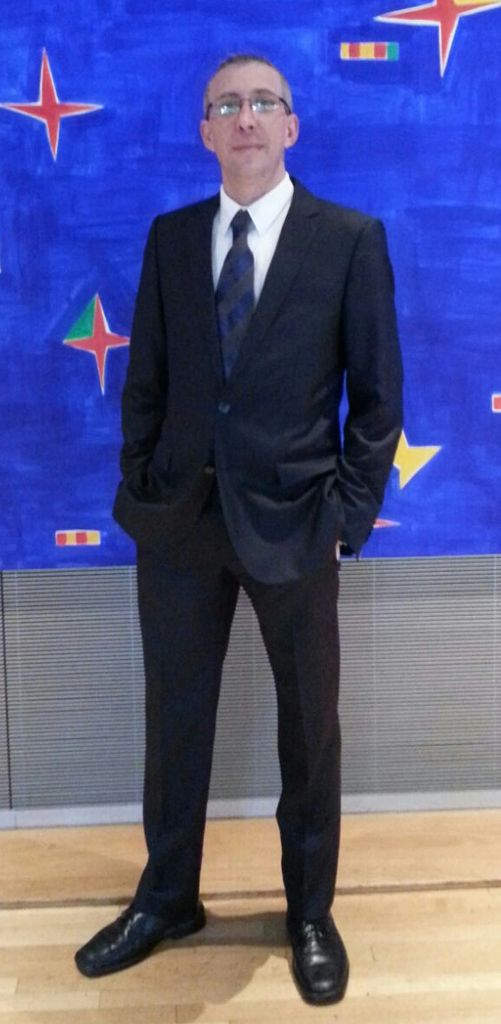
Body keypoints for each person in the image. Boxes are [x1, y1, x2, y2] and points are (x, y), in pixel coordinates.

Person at [75, 53, 403, 1005]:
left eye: (263, 103)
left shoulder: (349, 240)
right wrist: (142, 484)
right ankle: (167, 898)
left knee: (309, 729)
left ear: (290, 126)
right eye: (226, 105)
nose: (245, 118)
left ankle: (309, 913)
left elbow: (377, 399)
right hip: (178, 525)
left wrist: (344, 517)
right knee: (175, 722)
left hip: (297, 527)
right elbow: (146, 381)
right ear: (206, 132)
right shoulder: (172, 238)